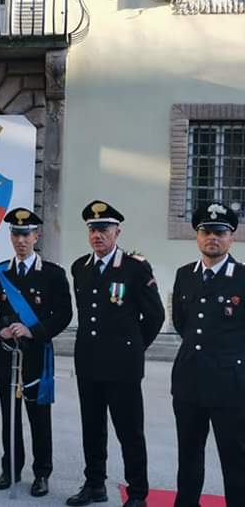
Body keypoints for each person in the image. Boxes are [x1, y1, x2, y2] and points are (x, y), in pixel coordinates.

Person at [66, 200, 164, 507]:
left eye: (104, 229)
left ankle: (137, 494)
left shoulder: (135, 268)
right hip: (89, 363)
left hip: (123, 366)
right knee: (92, 429)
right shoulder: (80, 267)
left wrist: (134, 347)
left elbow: (156, 316)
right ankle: (95, 484)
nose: (98, 235)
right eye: (93, 229)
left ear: (117, 232)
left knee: (129, 432)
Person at [0, 208, 72, 497]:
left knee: (38, 415)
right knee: (10, 413)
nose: (21, 240)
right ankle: (10, 468)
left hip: (36, 354)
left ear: (37, 236)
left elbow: (64, 314)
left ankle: (42, 472)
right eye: (16, 234)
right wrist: (0, 330)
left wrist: (34, 330)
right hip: (7, 351)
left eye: (26, 234)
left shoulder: (53, 274)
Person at [171, 202, 245, 507]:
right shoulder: (185, 274)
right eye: (205, 231)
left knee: (235, 458)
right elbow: (181, 322)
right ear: (197, 236)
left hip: (229, 383)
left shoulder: (242, 277)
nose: (212, 237)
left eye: (219, 232)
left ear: (231, 238)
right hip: (189, 380)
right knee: (188, 455)